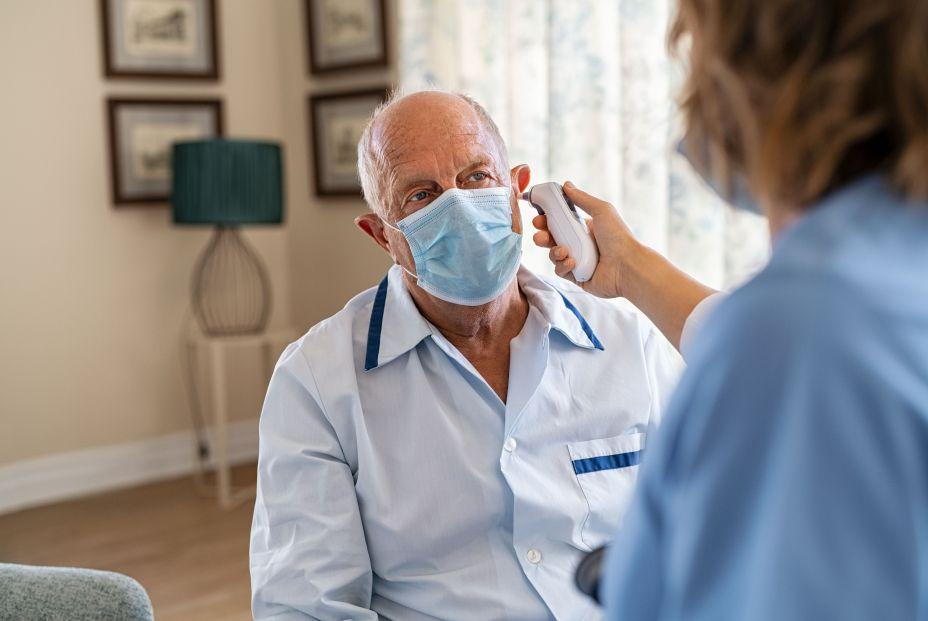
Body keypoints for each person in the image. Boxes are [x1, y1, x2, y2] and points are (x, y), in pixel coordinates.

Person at [534, 0, 928, 618]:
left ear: (756, 77)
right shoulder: (876, 277)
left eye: (692, 45)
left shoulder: (796, 333)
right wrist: (631, 269)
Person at [250, 90, 689, 621]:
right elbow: (307, 609)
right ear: (381, 236)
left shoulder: (628, 343)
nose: (455, 205)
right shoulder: (316, 382)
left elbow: (715, 528)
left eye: (477, 177)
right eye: (420, 194)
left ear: (518, 192)